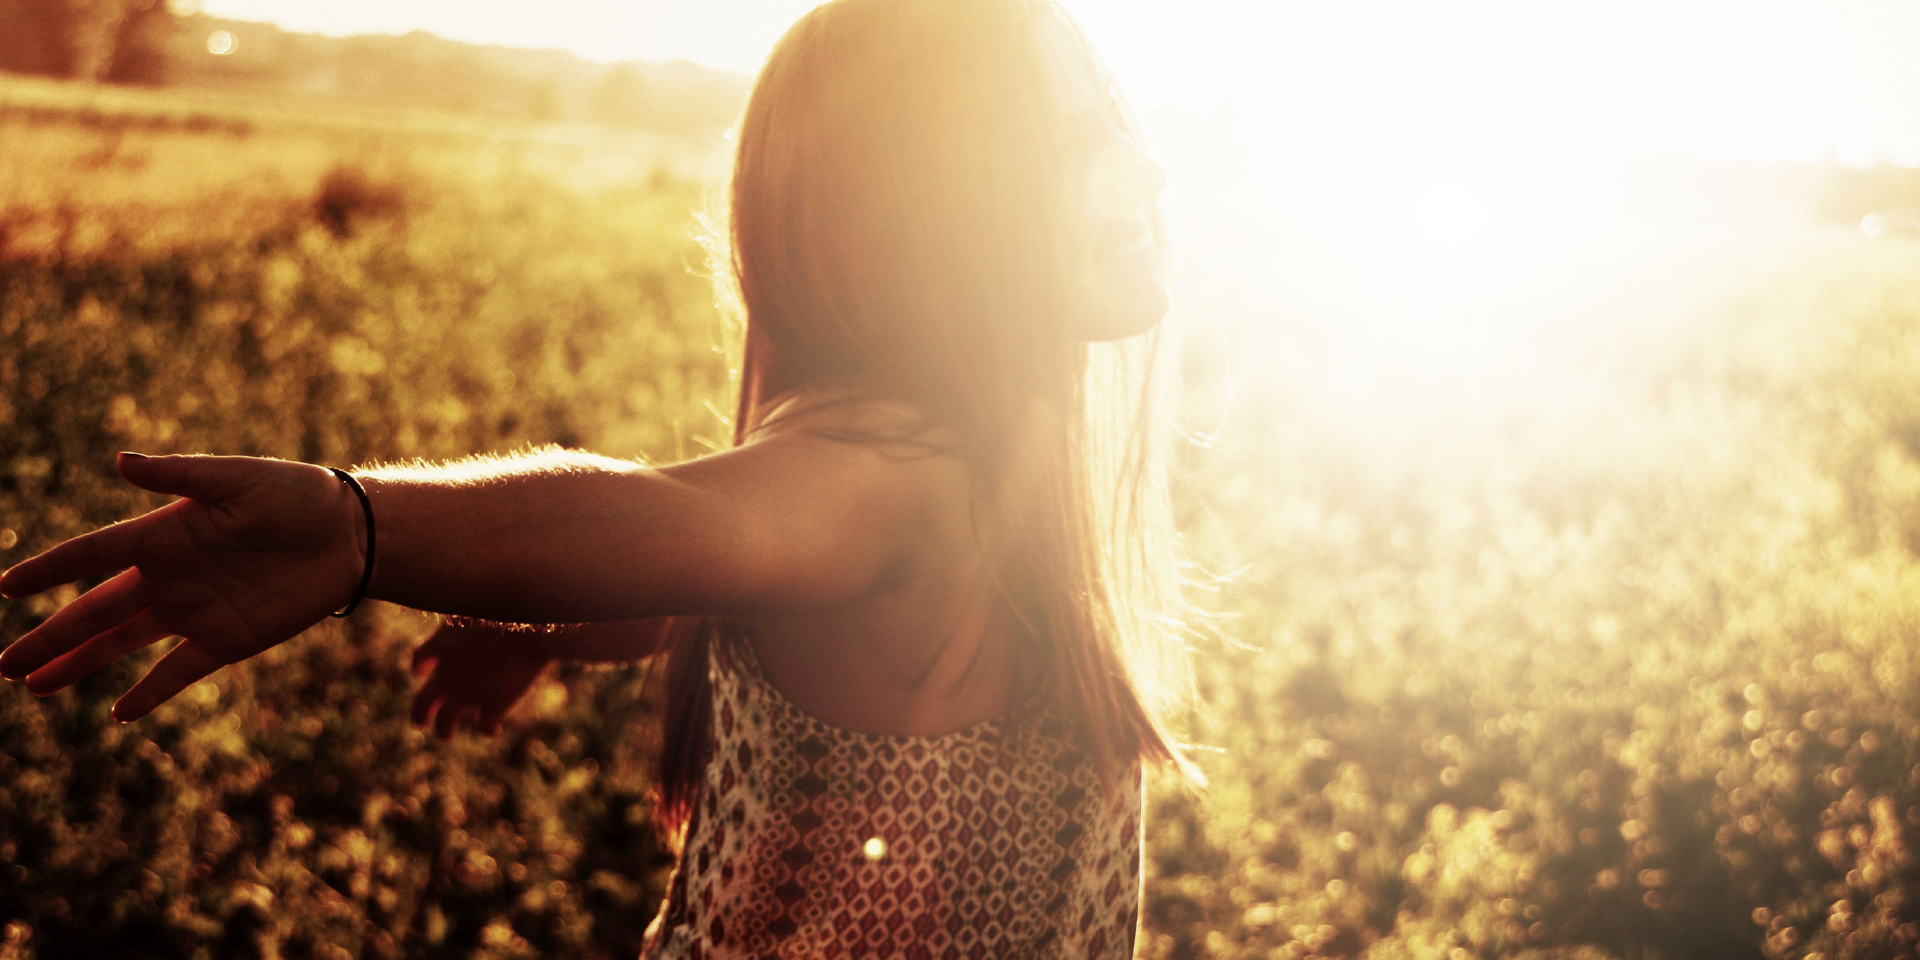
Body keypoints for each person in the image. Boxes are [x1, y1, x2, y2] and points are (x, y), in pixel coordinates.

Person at [0, 0, 1191, 955]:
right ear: (928, 215)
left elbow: (720, 575)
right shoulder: (903, 472)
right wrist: (366, 529)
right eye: (1072, 144)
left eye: (1114, 122)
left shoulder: (974, 466)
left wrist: (566, 633)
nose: (1146, 168)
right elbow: (672, 520)